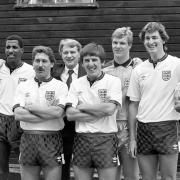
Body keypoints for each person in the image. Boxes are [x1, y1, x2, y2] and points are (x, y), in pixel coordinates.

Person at [127, 22, 180, 180]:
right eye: (147, 38)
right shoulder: (139, 70)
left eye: (154, 37)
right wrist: (132, 139)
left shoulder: (176, 64)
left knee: (168, 178)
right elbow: (133, 104)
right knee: (147, 178)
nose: (151, 41)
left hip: (168, 127)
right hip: (144, 129)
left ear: (163, 39)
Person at [66, 42, 122, 180]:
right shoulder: (76, 83)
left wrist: (82, 106)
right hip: (82, 139)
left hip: (106, 139)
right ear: (82, 63)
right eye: (87, 61)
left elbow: (110, 109)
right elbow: (70, 114)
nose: (91, 64)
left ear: (102, 62)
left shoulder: (113, 81)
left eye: (94, 60)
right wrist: (99, 111)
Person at [13, 46, 68, 180]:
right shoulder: (23, 86)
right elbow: (19, 115)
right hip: (28, 138)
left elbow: (57, 112)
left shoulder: (60, 86)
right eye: (37, 61)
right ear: (33, 64)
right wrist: (47, 114)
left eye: (44, 61)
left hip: (52, 139)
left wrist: (31, 108)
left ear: (52, 64)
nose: (40, 64)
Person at [103, 27, 140, 180]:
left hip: (130, 127)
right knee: (110, 176)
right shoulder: (104, 71)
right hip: (108, 128)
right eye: (115, 42)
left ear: (130, 45)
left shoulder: (138, 68)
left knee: (132, 176)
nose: (117, 46)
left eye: (122, 43)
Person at [0, 35, 35, 180]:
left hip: (20, 122)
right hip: (1, 120)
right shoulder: (0, 67)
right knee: (1, 169)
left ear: (22, 50)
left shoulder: (31, 71)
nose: (11, 50)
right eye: (8, 47)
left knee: (27, 165)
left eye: (14, 47)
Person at [52, 38, 86, 180]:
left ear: (79, 54)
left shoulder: (88, 69)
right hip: (61, 128)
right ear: (61, 54)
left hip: (83, 125)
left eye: (73, 52)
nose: (69, 55)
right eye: (65, 52)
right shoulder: (54, 71)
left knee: (84, 167)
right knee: (62, 166)